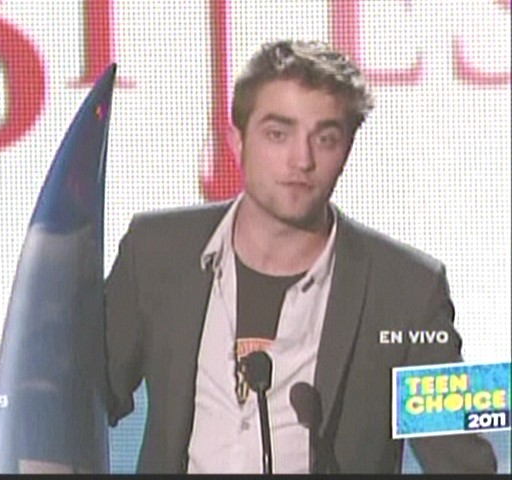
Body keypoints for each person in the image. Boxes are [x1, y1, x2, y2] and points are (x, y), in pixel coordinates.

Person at [104, 39, 497, 474]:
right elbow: (79, 397)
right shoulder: (155, 251)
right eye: (278, 134)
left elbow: (464, 462)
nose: (302, 159)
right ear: (237, 140)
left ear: (347, 149)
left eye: (325, 139)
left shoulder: (410, 290)